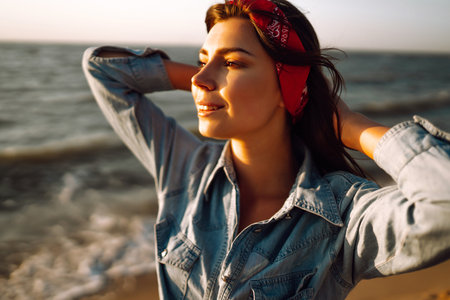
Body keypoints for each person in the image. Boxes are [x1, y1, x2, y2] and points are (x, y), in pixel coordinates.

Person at [82, 0, 450, 299]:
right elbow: (102, 69)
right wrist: (209, 84)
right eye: (201, 60)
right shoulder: (185, 171)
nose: (198, 76)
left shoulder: (344, 217)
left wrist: (352, 127)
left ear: (286, 86)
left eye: (231, 63)